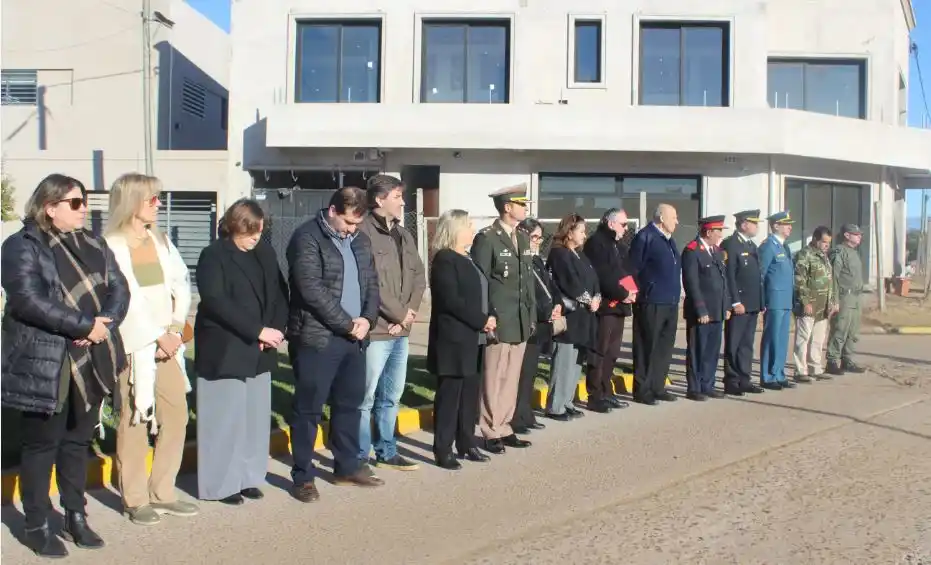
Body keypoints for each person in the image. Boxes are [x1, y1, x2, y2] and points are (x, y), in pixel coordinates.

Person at [1, 174, 129, 558]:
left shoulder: (95, 243)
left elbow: (119, 288)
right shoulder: (21, 246)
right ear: (49, 207)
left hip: (92, 356)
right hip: (46, 360)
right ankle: (36, 523)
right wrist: (83, 325)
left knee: (77, 443)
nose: (84, 208)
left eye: (85, 201)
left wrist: (103, 324)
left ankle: (76, 515)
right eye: (75, 202)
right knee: (42, 445)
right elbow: (27, 300)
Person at [105, 173, 200, 525]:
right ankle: (135, 498)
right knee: (135, 418)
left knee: (176, 414)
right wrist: (156, 336)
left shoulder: (160, 240)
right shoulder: (112, 245)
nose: (159, 204)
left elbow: (180, 283)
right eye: (152, 199)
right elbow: (124, 297)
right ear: (132, 202)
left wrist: (175, 328)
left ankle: (163, 491)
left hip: (169, 343)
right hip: (137, 346)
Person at [286, 186, 383, 504]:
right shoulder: (307, 238)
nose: (353, 229)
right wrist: (346, 323)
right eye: (349, 222)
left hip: (354, 338)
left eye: (357, 223)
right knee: (308, 409)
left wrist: (367, 319)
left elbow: (371, 283)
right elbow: (310, 289)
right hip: (318, 338)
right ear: (332, 211)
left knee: (349, 405)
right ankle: (302, 475)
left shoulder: (361, 240)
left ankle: (346, 466)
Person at [193, 199, 289, 505]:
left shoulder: (264, 252)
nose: (254, 238)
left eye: (259, 232)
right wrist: (256, 331)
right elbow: (216, 301)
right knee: (223, 420)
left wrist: (274, 331)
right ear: (234, 226)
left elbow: (279, 294)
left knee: (254, 420)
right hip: (226, 348)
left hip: (261, 347)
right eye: (249, 233)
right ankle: (221, 484)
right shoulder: (214, 255)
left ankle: (248, 477)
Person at [357, 175, 426, 472]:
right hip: (377, 330)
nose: (402, 201)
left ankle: (387, 450)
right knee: (366, 397)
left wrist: (409, 312)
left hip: (401, 330)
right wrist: (397, 315)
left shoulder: (403, 234)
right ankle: (360, 456)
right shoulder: (363, 232)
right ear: (379, 199)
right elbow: (370, 283)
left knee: (391, 396)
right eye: (397, 196)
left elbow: (418, 276)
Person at [427, 210, 496, 469]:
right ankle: (443, 449)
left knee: (469, 394)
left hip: (475, 338)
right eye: (468, 225)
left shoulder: (468, 258)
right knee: (450, 397)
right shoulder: (445, 259)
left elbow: (482, 291)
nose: (472, 229)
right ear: (455, 229)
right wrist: (481, 319)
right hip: (454, 339)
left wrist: (491, 314)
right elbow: (451, 300)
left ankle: (466, 443)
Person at [470, 183, 535, 453]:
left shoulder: (522, 237)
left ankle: (505, 425)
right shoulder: (487, 238)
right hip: (499, 318)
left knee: (511, 378)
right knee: (493, 377)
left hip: (519, 319)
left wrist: (531, 314)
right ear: (508, 207)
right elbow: (480, 280)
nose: (525, 207)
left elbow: (527, 281)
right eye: (521, 203)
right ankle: (489, 429)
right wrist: (487, 315)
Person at [546, 214, 603, 417]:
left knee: (576, 361)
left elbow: (594, 279)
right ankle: (556, 406)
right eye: (580, 230)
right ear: (569, 232)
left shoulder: (580, 254)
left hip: (585, 316)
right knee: (564, 360)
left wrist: (597, 297)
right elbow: (570, 282)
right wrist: (589, 299)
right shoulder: (559, 254)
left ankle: (568, 401)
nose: (584, 235)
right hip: (569, 315)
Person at [628, 203, 681, 406]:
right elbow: (632, 268)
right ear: (661, 218)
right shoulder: (645, 236)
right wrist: (637, 293)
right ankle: (642, 389)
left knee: (663, 347)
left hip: (670, 301)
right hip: (650, 301)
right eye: (673, 217)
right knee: (646, 346)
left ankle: (658, 386)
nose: (676, 221)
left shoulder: (669, 240)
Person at [511, 218, 559, 434]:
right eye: (534, 237)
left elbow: (549, 286)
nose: (538, 242)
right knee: (521, 373)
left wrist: (556, 306)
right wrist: (544, 311)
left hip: (542, 323)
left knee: (530, 372)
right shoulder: (520, 260)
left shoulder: (537, 260)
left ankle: (526, 413)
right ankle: (516, 417)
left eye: (540, 237)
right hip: (528, 322)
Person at [583, 207, 634, 406]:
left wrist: (632, 292)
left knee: (612, 352)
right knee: (599, 350)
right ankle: (595, 395)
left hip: (619, 305)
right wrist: (623, 294)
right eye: (623, 224)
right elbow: (603, 275)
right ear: (611, 223)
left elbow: (626, 271)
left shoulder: (619, 245)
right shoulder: (597, 243)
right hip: (605, 305)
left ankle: (606, 389)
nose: (625, 228)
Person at [681, 216, 731, 401]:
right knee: (697, 350)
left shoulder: (717, 251)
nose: (721, 234)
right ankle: (694, 388)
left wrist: (726, 305)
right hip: (701, 312)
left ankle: (707, 385)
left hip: (717, 310)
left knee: (712, 350)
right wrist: (701, 310)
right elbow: (691, 283)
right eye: (718, 231)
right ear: (708, 232)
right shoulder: (692, 251)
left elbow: (723, 281)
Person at [721, 209, 765, 396]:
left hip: (752, 304)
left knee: (747, 344)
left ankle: (744, 379)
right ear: (744, 224)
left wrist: (760, 301)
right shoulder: (731, 245)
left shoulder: (751, 245)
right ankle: (732, 380)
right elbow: (729, 277)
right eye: (754, 223)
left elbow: (757, 277)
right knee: (734, 343)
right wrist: (735, 302)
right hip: (739, 305)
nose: (757, 226)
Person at [792, 226, 838, 383]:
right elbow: (799, 280)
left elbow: (829, 281)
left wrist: (831, 302)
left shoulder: (824, 256)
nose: (826, 245)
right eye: (824, 242)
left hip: (822, 305)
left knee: (818, 339)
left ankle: (815, 368)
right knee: (803, 338)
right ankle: (800, 371)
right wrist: (805, 301)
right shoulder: (804, 255)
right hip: (808, 305)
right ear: (815, 239)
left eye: (829, 243)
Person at [758, 210, 797, 391]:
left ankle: (779, 372)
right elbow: (761, 275)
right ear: (775, 226)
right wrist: (762, 300)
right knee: (771, 338)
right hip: (773, 299)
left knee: (782, 339)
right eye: (786, 224)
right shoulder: (768, 246)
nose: (790, 227)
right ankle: (767, 376)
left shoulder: (785, 247)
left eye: (790, 224)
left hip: (785, 299)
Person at [826, 224, 866, 376]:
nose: (859, 237)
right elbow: (834, 278)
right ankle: (832, 360)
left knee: (852, 331)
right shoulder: (839, 252)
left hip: (855, 297)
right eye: (856, 234)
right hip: (844, 296)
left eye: (860, 234)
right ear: (847, 236)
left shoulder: (854, 253)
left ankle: (847, 359)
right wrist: (834, 299)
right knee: (840, 329)